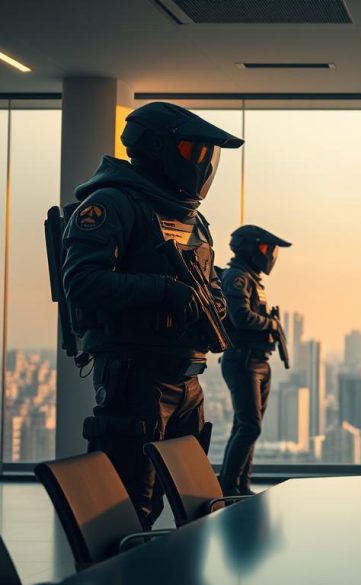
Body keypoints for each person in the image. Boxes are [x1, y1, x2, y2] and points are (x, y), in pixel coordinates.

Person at [63, 101, 242, 527]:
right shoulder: (112, 204)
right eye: (194, 151)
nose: (204, 164)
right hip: (135, 376)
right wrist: (163, 292)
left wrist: (215, 303)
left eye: (207, 155)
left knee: (195, 504)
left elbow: (210, 282)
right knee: (130, 507)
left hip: (187, 377)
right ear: (159, 148)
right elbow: (82, 282)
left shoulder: (192, 219)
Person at [218, 225, 291, 496]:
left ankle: (240, 484)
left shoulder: (251, 280)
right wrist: (271, 324)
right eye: (265, 248)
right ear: (251, 248)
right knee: (250, 426)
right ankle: (228, 486)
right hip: (244, 361)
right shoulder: (237, 277)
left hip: (259, 361)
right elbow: (240, 316)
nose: (270, 255)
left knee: (248, 426)